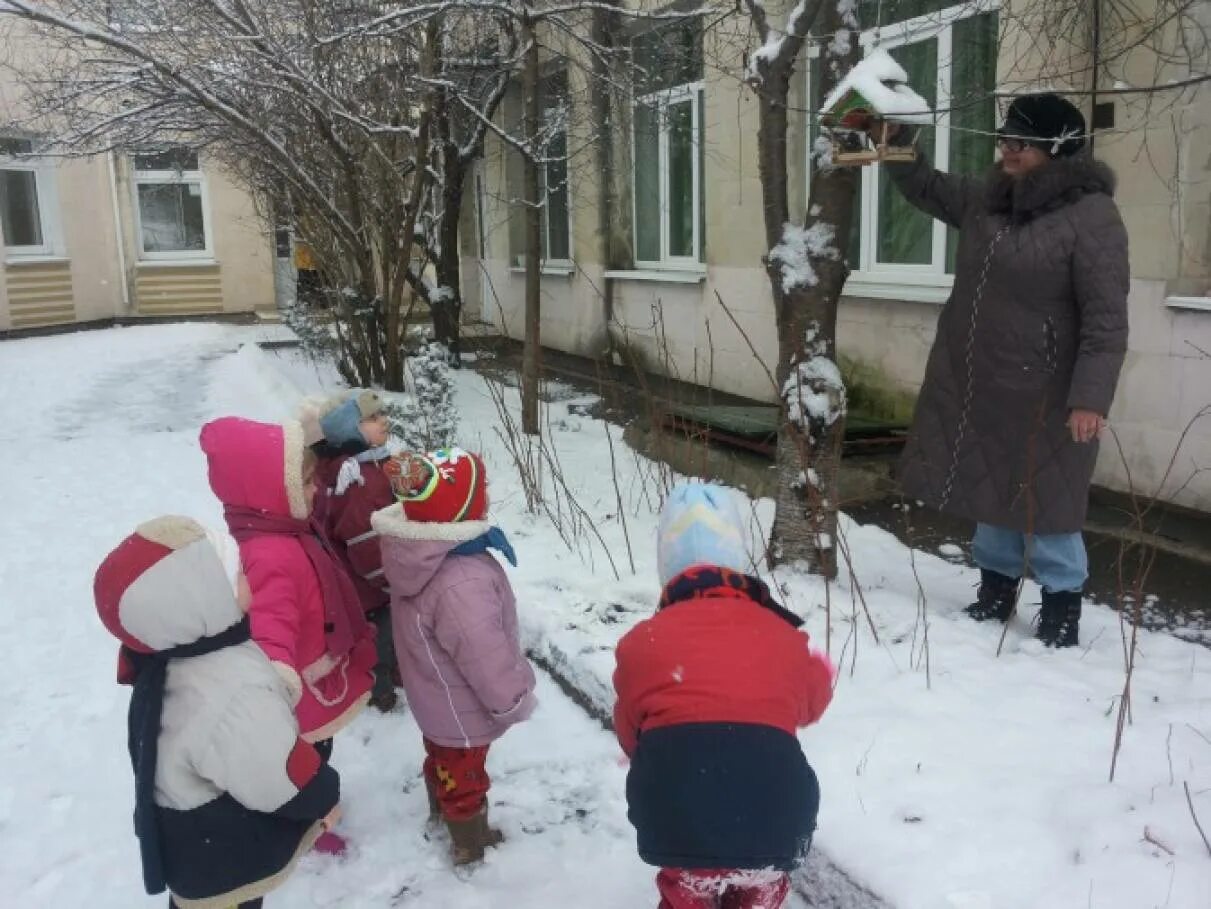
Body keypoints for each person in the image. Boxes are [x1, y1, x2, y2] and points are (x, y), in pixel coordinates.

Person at [874, 93, 1129, 647]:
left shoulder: (1091, 217)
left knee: (1051, 502)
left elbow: (1107, 320)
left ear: (1057, 150)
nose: (1007, 149)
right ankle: (996, 589)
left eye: (1022, 142)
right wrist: (896, 147)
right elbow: (930, 188)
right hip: (983, 381)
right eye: (1005, 138)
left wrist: (1091, 397)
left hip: (1046, 390)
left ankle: (1061, 607)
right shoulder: (991, 199)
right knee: (990, 485)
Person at [93, 516, 341, 908]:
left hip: (189, 838)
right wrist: (321, 794)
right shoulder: (230, 690)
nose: (249, 579)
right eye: (238, 574)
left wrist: (270, 685)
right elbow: (274, 771)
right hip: (223, 850)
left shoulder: (177, 657)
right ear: (204, 600)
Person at [612, 483, 835, 909]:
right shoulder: (783, 638)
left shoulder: (643, 642)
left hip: (677, 820)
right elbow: (810, 704)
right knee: (760, 882)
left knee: (688, 887)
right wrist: (817, 673)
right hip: (777, 817)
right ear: (739, 564)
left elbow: (629, 732)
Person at [200, 416, 377, 853]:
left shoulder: (283, 525)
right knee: (305, 764)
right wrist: (277, 675)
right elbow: (270, 624)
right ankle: (307, 824)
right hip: (300, 686)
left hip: (315, 673)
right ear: (273, 494)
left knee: (316, 753)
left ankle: (307, 810)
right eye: (306, 485)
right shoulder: (269, 555)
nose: (315, 491)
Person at [373, 447, 537, 865]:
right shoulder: (459, 579)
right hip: (462, 709)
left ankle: (442, 808)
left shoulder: (420, 553)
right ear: (462, 507)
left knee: (444, 761)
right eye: (481, 490)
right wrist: (512, 698)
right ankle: (469, 840)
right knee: (466, 776)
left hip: (437, 699)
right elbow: (483, 654)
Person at [303, 391, 403, 712]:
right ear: (349, 430)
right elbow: (363, 541)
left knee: (386, 633)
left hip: (374, 579)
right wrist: (390, 579)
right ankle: (379, 689)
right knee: (379, 639)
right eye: (372, 419)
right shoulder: (355, 479)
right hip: (369, 585)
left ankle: (389, 674)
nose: (383, 421)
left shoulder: (370, 464)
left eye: (381, 415)